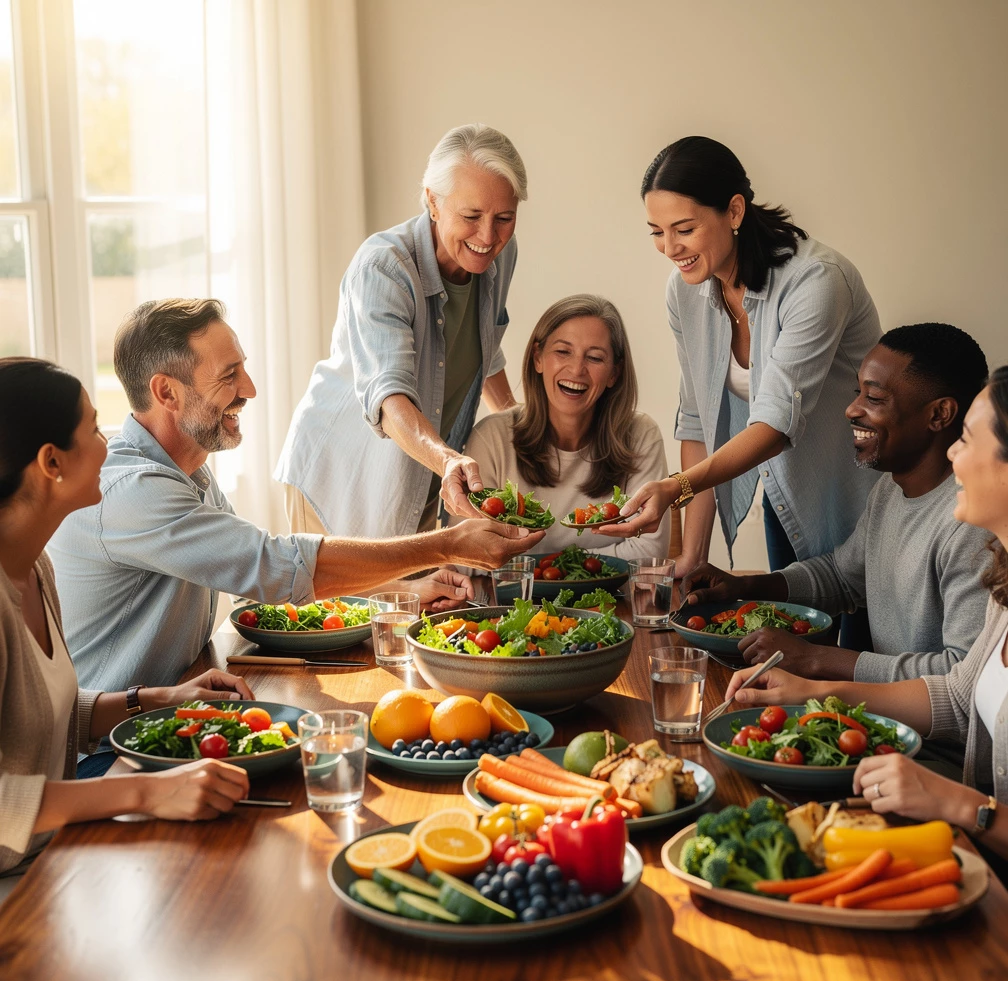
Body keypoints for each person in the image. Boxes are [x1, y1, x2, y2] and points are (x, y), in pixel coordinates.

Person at [47, 299, 544, 716]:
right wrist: (449, 545)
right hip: (110, 750)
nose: (249, 389)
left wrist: (403, 587)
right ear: (166, 392)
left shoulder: (187, 471)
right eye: (229, 375)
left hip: (175, 709)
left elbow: (255, 567)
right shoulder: (134, 490)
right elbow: (273, 565)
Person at [600, 137, 882, 647]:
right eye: (657, 232)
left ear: (734, 211)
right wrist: (692, 552)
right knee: (795, 657)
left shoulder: (816, 281)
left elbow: (775, 424)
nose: (670, 248)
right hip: (786, 500)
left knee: (857, 662)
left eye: (684, 229)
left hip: (855, 502)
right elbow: (697, 421)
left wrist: (674, 488)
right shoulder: (684, 291)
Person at [724, 366, 1008, 860]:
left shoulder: (969, 541)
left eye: (966, 440)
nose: (953, 454)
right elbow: (958, 696)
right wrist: (814, 692)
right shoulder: (1003, 588)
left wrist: (961, 805)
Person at [0, 358, 255, 895]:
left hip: (56, 852)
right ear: (51, 462)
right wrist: (149, 792)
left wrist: (159, 699)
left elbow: (36, 718)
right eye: (94, 429)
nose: (109, 443)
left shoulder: (35, 568)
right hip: (18, 891)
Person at [682, 324, 990, 684]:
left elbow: (963, 677)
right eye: (858, 393)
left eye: (874, 398)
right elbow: (842, 577)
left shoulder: (974, 525)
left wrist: (816, 659)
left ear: (939, 414)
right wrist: (744, 588)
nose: (851, 410)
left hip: (916, 721)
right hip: (878, 709)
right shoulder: (889, 490)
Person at [275, 122, 527, 537]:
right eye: (470, 216)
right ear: (433, 201)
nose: (488, 236)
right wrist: (448, 459)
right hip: (344, 475)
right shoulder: (384, 268)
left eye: (504, 217)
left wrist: (520, 432)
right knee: (354, 584)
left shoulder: (501, 254)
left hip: (425, 469)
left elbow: (482, 347)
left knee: (419, 580)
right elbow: (388, 395)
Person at [452, 294, 671, 558]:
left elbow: (649, 550)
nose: (577, 369)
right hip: (514, 591)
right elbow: (467, 553)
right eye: (563, 352)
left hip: (595, 593)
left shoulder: (641, 435)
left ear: (614, 373)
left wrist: (543, 568)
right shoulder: (491, 437)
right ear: (538, 357)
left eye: (595, 358)